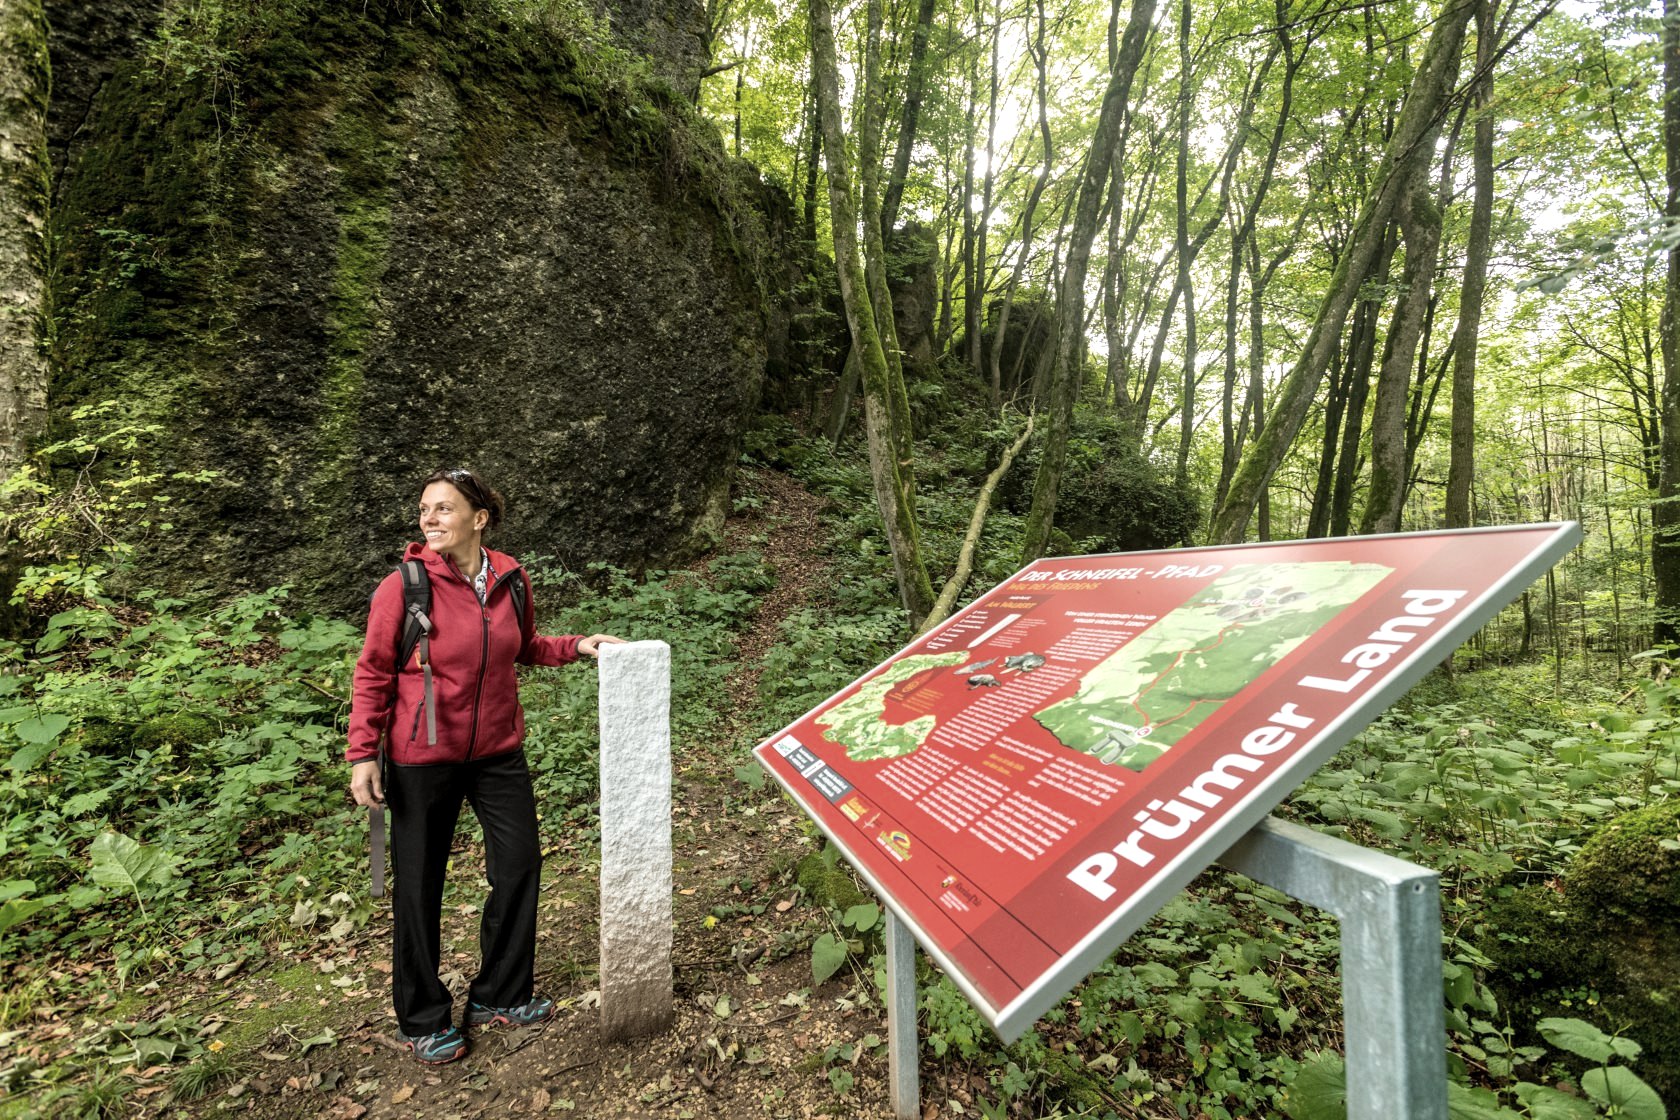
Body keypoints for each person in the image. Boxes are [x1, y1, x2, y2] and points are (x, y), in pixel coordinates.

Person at [347, 467, 622, 1065]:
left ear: (479, 518)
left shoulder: (509, 578)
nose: (430, 518)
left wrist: (577, 646)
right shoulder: (404, 587)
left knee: (519, 865)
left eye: (444, 508)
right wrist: (363, 752)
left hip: (498, 752)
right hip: (421, 758)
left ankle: (500, 992)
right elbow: (373, 671)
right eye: (425, 509)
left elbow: (525, 645)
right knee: (419, 887)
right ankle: (422, 1018)